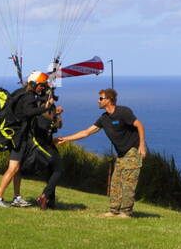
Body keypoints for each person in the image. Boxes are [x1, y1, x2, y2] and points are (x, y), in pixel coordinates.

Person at [56, 87, 147, 217]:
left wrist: (142, 146)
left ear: (109, 100)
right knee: (115, 183)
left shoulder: (123, 112)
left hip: (132, 151)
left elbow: (139, 125)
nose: (98, 101)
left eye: (101, 98)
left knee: (128, 183)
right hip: (121, 155)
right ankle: (114, 210)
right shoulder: (104, 118)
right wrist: (64, 139)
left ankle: (126, 212)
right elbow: (86, 132)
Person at [0, 71, 53, 208]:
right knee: (13, 168)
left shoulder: (21, 92)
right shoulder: (29, 97)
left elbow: (26, 105)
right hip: (19, 136)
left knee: (18, 169)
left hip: (12, 134)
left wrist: (42, 101)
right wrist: (45, 108)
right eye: (41, 85)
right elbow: (28, 112)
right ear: (34, 84)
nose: (43, 88)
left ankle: (17, 197)